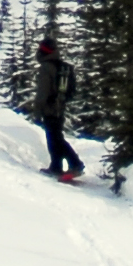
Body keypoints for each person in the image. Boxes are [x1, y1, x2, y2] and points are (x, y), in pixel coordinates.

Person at [32, 35, 83, 182]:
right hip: (60, 106)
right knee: (55, 136)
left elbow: (42, 92)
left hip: (49, 107)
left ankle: (75, 163)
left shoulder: (46, 68)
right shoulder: (62, 66)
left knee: (55, 138)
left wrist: (37, 111)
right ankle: (56, 165)